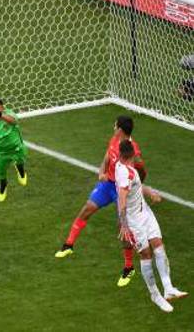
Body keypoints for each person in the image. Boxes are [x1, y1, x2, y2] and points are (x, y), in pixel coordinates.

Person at [55, 116, 146, 288]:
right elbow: (107, 156)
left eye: (115, 125)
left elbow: (141, 168)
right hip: (108, 185)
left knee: (123, 228)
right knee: (87, 209)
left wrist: (137, 186)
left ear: (120, 129)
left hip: (122, 189)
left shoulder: (132, 149)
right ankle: (68, 245)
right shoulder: (114, 140)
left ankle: (129, 267)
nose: (113, 127)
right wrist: (102, 171)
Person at [116, 140, 187, 312]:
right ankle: (155, 295)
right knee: (146, 254)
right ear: (131, 154)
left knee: (158, 244)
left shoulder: (128, 168)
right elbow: (122, 201)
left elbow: (137, 187)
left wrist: (150, 193)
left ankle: (168, 288)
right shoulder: (126, 173)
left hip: (145, 213)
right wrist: (124, 225)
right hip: (133, 221)